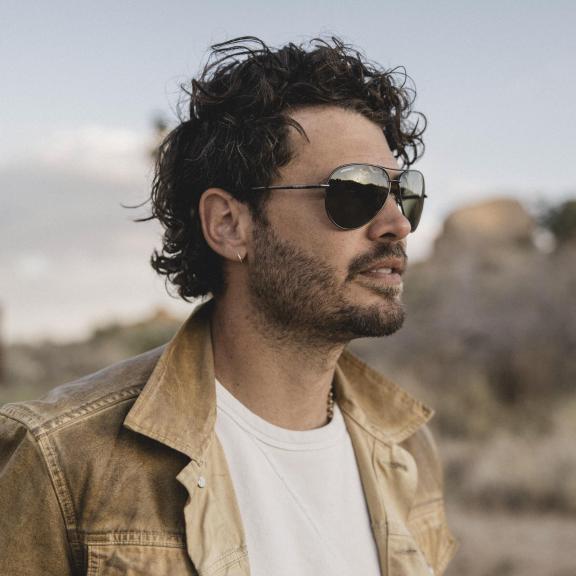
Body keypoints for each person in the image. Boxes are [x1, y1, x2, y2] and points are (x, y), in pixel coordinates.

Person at [0, 37, 457, 575]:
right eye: (355, 192)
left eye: (404, 193)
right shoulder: (63, 458)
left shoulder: (408, 448)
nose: (398, 224)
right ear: (228, 225)